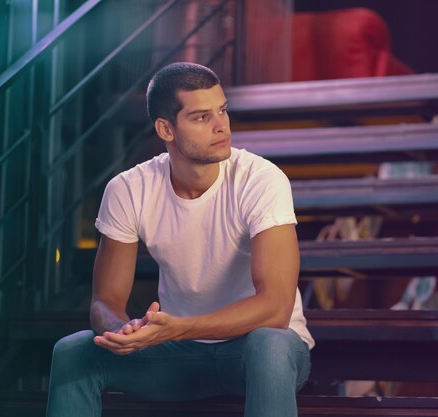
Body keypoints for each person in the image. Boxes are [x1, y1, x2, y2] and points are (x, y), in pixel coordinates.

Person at [46, 62, 314, 417]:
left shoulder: (261, 180)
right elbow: (105, 300)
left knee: (269, 343)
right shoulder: (129, 189)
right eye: (202, 117)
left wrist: (182, 327)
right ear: (166, 129)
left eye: (222, 110)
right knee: (73, 352)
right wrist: (125, 330)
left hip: (257, 354)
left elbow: (275, 309)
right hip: (180, 354)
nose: (222, 126)